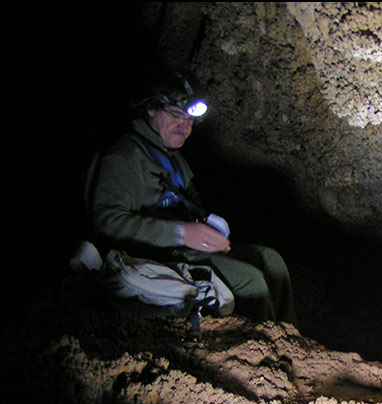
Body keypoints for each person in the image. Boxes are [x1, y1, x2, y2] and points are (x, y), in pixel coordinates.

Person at [88, 69, 297, 326]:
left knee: (271, 261)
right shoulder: (125, 156)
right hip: (149, 256)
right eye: (175, 116)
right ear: (151, 109)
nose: (183, 127)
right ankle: (263, 347)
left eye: (189, 120)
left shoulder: (175, 159)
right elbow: (107, 223)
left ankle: (290, 338)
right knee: (250, 280)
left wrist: (208, 231)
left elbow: (191, 209)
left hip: (182, 250)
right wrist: (182, 233)